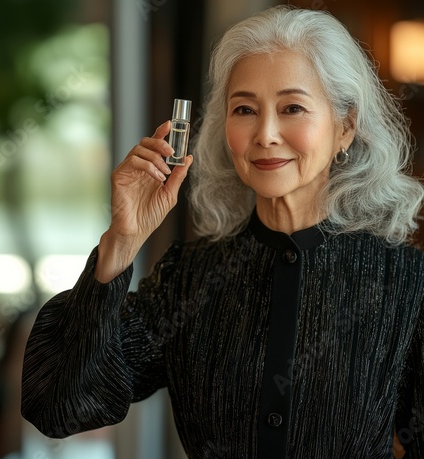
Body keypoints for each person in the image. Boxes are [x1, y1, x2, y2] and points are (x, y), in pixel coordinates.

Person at [21, 5, 424, 458]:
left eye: (293, 107)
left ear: (345, 126)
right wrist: (122, 241)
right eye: (245, 109)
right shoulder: (187, 279)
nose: (266, 133)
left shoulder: (406, 283)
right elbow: (58, 406)